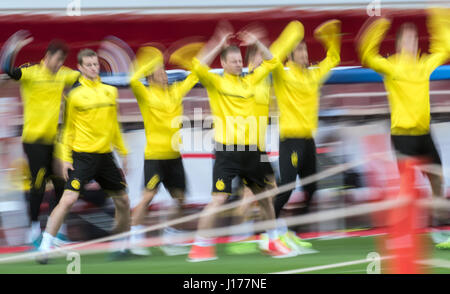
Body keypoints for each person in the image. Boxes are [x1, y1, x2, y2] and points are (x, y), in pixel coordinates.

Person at [186, 21, 303, 262]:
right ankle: (199, 247)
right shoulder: (216, 83)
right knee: (218, 199)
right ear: (224, 64)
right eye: (234, 60)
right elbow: (197, 65)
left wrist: (258, 43)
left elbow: (271, 62)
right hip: (226, 152)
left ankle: (272, 241)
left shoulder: (252, 80)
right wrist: (217, 43)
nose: (239, 63)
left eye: (240, 60)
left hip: (253, 152)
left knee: (266, 198)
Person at [357, 10, 450, 250]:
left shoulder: (424, 64)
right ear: (398, 44)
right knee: (407, 189)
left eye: (414, 39)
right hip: (402, 137)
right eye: (406, 39)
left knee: (438, 182)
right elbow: (366, 54)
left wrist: (438, 17)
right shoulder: (390, 66)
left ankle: (440, 230)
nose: (411, 43)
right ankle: (400, 234)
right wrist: (380, 25)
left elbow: (445, 48)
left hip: (424, 135)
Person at [36, 49, 131, 263]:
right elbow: (67, 130)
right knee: (68, 199)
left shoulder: (110, 91)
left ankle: (121, 244)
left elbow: (114, 126)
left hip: (105, 156)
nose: (93, 68)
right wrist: (65, 158)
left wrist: (124, 152)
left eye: (96, 64)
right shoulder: (74, 96)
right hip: (82, 156)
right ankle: (45, 245)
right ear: (79, 68)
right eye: (88, 65)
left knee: (124, 201)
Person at [1, 37, 80, 247]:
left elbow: (82, 78)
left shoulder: (63, 74)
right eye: (57, 59)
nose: (59, 64)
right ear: (47, 57)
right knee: (38, 184)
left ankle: (55, 232)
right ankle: (33, 231)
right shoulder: (31, 73)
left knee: (63, 183)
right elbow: (8, 69)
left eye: (63, 60)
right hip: (33, 140)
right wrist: (13, 47)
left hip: (53, 141)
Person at [271, 20, 341, 249]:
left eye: (305, 49)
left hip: (308, 142)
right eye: (299, 49)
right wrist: (290, 37)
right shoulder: (282, 73)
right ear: (290, 56)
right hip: (289, 142)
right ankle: (267, 231)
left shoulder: (313, 75)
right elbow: (272, 58)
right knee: (287, 188)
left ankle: (293, 233)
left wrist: (330, 36)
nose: (305, 53)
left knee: (312, 190)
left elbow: (334, 59)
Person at [127, 44, 201, 256]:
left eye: (164, 71)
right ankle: (135, 239)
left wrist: (185, 59)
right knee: (147, 197)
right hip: (154, 157)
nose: (164, 75)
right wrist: (150, 63)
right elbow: (133, 80)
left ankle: (170, 237)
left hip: (174, 157)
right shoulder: (146, 94)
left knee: (180, 200)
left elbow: (195, 76)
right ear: (150, 76)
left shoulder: (176, 92)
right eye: (160, 72)